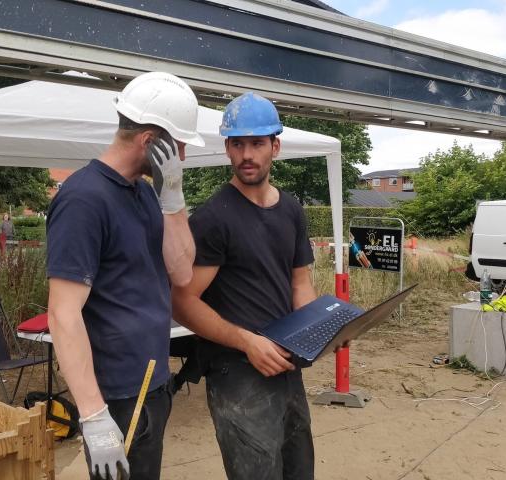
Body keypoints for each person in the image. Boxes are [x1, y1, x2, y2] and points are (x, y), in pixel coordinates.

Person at [46, 71, 203, 480]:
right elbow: (63, 314)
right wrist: (94, 415)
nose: (182, 157)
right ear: (150, 141)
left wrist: (173, 200)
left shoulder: (147, 193)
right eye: (179, 146)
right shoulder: (84, 199)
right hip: (115, 396)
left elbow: (182, 272)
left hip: (152, 384)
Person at [172, 92, 318, 479]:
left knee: (299, 470)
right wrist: (248, 342)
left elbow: (300, 283)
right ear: (227, 148)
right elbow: (183, 302)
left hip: (286, 368)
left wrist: (318, 330)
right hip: (237, 374)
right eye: (238, 144)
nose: (247, 154)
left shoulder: (290, 209)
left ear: (276, 146)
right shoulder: (213, 218)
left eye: (257, 143)